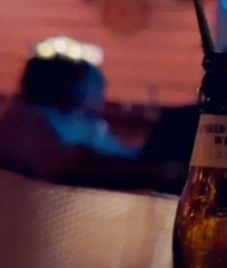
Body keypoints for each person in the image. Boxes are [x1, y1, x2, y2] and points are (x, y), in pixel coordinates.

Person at [0, 55, 136, 179]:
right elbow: (53, 164)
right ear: (74, 87)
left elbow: (118, 154)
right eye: (95, 84)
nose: (102, 92)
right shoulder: (26, 119)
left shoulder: (92, 125)